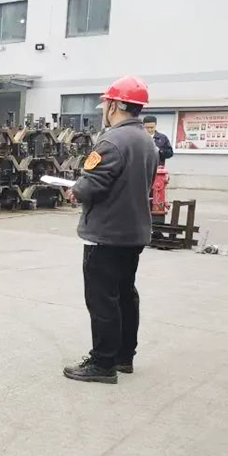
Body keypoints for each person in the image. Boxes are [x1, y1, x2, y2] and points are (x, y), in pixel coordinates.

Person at [63, 76, 159, 384]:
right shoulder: (147, 141)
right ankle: (123, 357)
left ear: (115, 105)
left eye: (106, 104)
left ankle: (102, 363)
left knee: (102, 299)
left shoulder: (111, 141)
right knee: (125, 295)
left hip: (106, 234)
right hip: (133, 233)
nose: (105, 109)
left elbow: (94, 183)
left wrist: (76, 190)